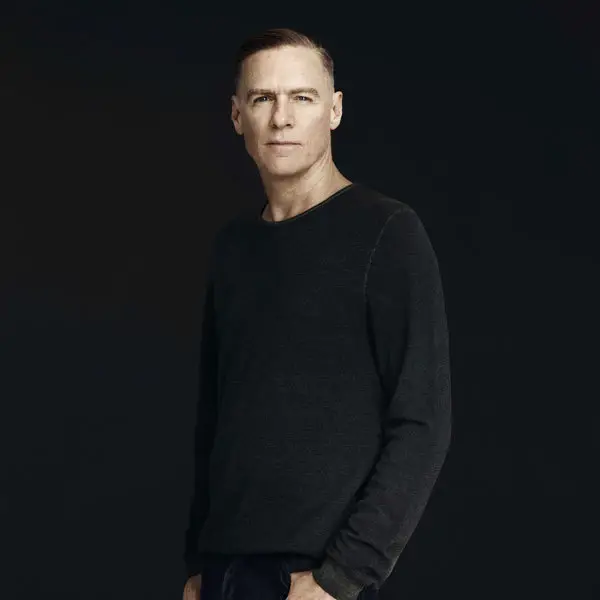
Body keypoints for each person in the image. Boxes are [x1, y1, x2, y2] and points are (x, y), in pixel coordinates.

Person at [182, 27, 452, 600]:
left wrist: (342, 577)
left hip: (314, 576)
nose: (281, 119)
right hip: (223, 570)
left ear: (334, 110)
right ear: (237, 115)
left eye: (302, 97)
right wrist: (198, 563)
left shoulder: (387, 232)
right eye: (263, 98)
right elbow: (215, 419)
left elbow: (422, 423)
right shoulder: (233, 248)